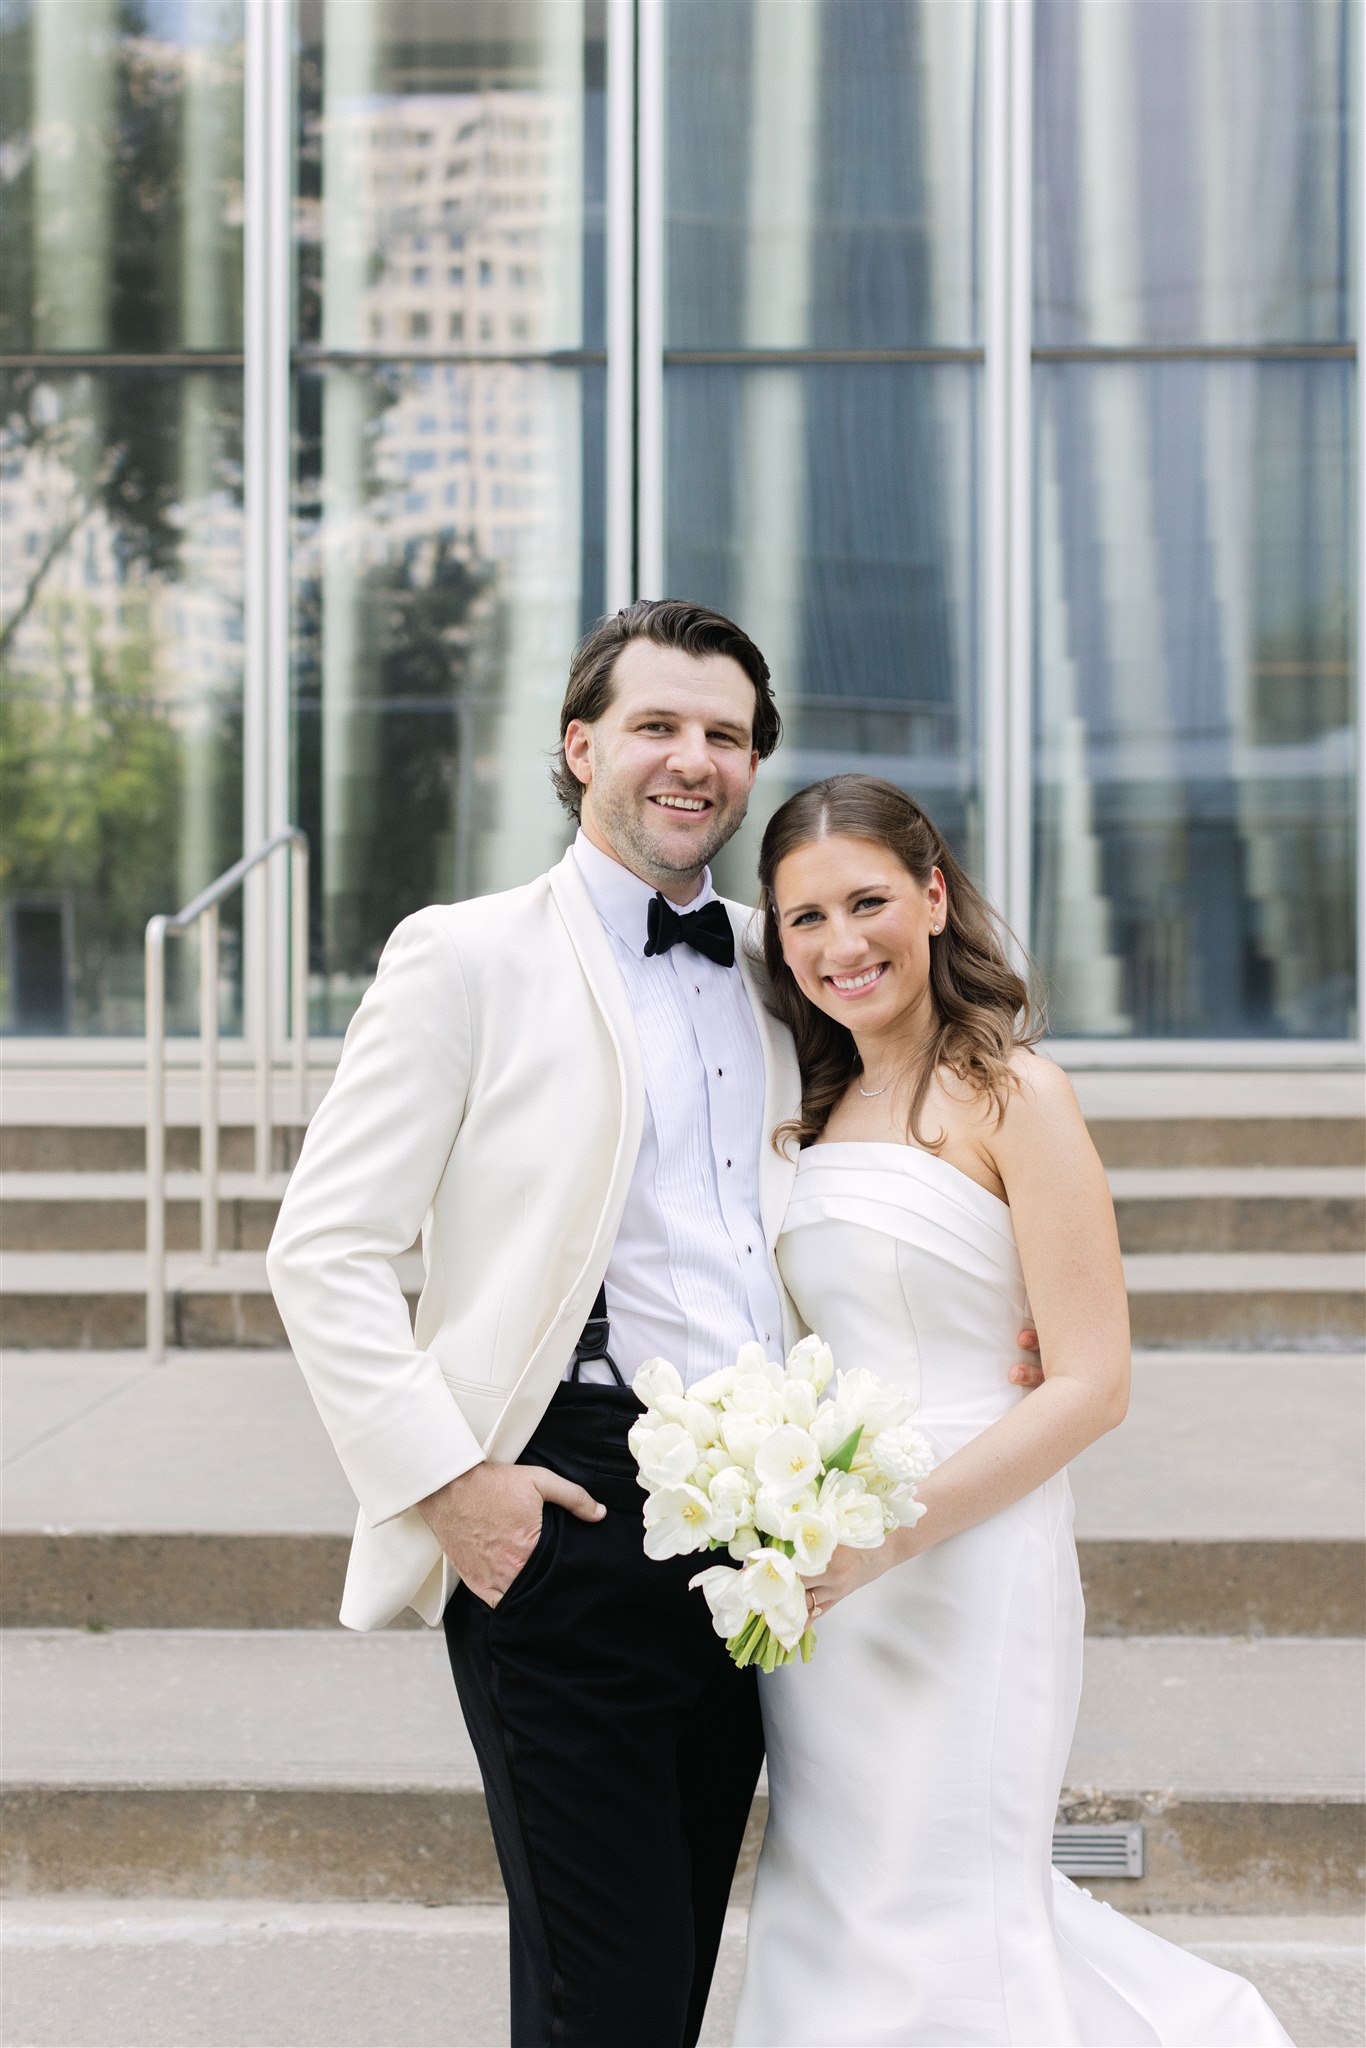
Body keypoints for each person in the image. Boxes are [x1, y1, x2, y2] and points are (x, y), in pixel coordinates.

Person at [267, 601, 1044, 2048]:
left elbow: (917, 1150)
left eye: (726, 736)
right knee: (604, 1994)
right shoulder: (463, 957)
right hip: (565, 1502)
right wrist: (455, 1490)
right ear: (581, 748)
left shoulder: (787, 957)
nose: (693, 761)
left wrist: (1006, 1313)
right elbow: (323, 1250)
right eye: (657, 727)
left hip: (775, 1522)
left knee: (676, 1964)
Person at [731, 773, 1292, 2047]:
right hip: (826, 1574)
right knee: (835, 1888)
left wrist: (891, 1534)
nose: (840, 943)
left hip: (964, 1557)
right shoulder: (804, 1109)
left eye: (868, 900)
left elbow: (1093, 1380)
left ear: (933, 897)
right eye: (804, 918)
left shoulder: (1014, 1093)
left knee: (949, 1894)